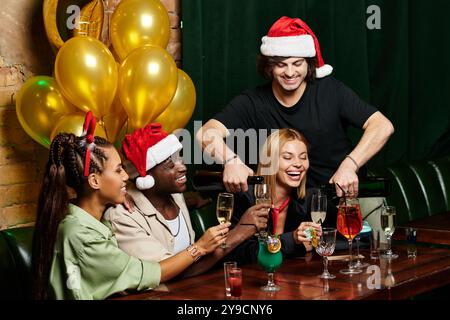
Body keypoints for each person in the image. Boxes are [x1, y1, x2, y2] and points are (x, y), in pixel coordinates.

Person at [31, 113, 226, 300]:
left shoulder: (83, 219)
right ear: (94, 181)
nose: (126, 176)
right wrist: (200, 248)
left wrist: (124, 192)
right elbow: (147, 273)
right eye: (118, 171)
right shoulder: (81, 234)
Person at [196, 16, 394, 198]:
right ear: (269, 67)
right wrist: (231, 161)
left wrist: (350, 165)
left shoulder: (331, 91)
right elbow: (205, 133)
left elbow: (382, 126)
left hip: (347, 196)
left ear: (309, 64)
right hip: (293, 209)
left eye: (297, 63)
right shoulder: (253, 102)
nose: (290, 72)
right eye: (281, 65)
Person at [105, 123, 269, 277]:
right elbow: (167, 273)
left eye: (180, 158)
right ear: (146, 178)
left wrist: (194, 199)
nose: (182, 166)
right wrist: (239, 233)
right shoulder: (124, 216)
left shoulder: (175, 194)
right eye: (171, 165)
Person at [228, 128, 321, 264]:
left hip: (289, 280)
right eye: (287, 157)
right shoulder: (245, 197)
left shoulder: (308, 199)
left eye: (303, 157)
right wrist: (292, 241)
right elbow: (236, 254)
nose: (298, 164)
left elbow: (338, 238)